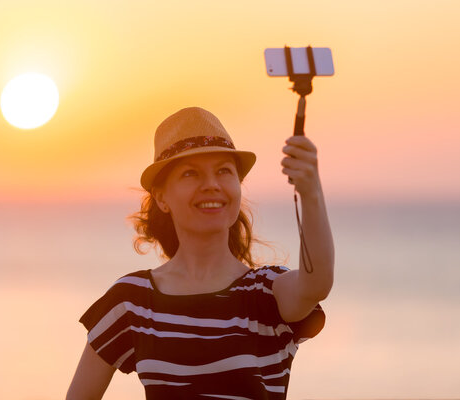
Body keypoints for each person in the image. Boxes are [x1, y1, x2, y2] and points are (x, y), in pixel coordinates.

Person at [65, 107, 334, 400]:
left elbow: (317, 283)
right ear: (162, 197)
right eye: (191, 173)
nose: (212, 185)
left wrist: (310, 191)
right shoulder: (133, 301)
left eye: (223, 171)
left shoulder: (265, 293)